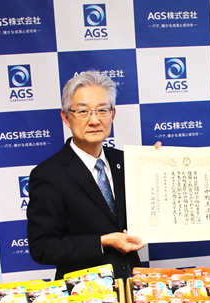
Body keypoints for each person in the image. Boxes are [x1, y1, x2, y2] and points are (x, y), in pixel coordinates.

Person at [27, 71, 147, 281]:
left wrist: (159, 162)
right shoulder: (48, 174)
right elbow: (42, 247)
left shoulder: (128, 162)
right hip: (84, 296)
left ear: (113, 114)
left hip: (131, 284)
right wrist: (103, 241)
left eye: (102, 110)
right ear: (66, 117)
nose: (94, 120)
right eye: (83, 111)